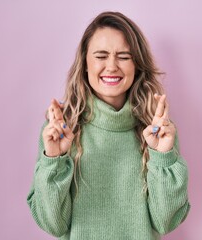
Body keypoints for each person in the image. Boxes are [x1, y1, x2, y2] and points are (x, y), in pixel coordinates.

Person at [27, 11, 190, 240]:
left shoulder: (158, 129)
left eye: (123, 56)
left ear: (137, 65)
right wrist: (54, 160)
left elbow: (166, 222)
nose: (112, 66)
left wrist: (162, 155)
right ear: (85, 63)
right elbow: (52, 224)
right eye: (101, 56)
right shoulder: (62, 128)